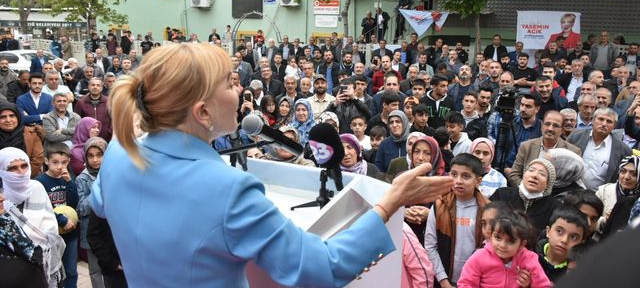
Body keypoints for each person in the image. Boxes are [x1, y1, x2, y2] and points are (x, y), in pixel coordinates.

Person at [88, 43, 455, 287]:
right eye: (230, 83)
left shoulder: (120, 152)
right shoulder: (227, 189)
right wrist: (391, 203)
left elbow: (100, 202)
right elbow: (323, 267)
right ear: (202, 112)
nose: (239, 92)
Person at [0, 147, 65, 286]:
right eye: (13, 168)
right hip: (14, 271)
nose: (21, 172)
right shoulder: (1, 198)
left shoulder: (37, 187)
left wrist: (35, 245)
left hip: (44, 263)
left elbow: (50, 225)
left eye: (24, 166)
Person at [424, 153, 489, 288]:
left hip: (477, 281)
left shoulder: (488, 210)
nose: (458, 180)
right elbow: (430, 246)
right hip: (445, 279)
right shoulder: (439, 206)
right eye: (454, 174)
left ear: (478, 181)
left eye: (466, 176)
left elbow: (491, 247)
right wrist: (443, 280)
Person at [457, 211, 552, 288]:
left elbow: (543, 285)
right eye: (498, 237)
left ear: (521, 244)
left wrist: (530, 285)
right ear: (490, 236)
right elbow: (465, 283)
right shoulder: (479, 257)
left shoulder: (528, 259)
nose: (502, 245)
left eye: (510, 241)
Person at [35, 143, 79, 288]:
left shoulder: (67, 178)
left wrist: (69, 183)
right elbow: (42, 208)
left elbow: (73, 203)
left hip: (70, 233)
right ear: (46, 161)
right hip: (51, 235)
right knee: (53, 271)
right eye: (55, 162)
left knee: (71, 270)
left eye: (64, 162)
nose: (60, 166)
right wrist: (61, 219)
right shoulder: (39, 182)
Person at [491, 159, 561, 233]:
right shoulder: (501, 194)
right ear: (524, 175)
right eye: (531, 170)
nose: (535, 176)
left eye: (542, 174)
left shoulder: (555, 208)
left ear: (548, 184)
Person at [75, 137, 108, 288]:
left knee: (113, 268)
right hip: (92, 232)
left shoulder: (113, 173)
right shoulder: (82, 179)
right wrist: (97, 187)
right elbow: (81, 209)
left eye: (99, 155)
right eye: (90, 155)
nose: (95, 160)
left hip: (112, 231)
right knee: (95, 270)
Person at [535, 207, 588, 283]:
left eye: (573, 237)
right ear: (548, 231)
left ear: (581, 242)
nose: (564, 240)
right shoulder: (530, 252)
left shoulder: (576, 271)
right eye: (559, 231)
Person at [595, 155, 640, 234]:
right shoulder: (604, 191)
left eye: (634, 174)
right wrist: (605, 220)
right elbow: (587, 220)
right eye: (623, 171)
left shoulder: (638, 202)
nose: (626, 177)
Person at [0, 102, 44, 178]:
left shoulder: (31, 134)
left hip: (27, 178)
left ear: (18, 117)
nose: (8, 120)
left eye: (12, 116)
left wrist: (22, 178)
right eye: (3, 117)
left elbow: (37, 160)